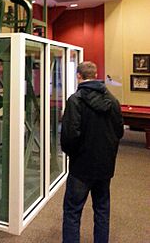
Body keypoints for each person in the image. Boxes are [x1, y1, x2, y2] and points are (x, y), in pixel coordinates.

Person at [61, 61, 124, 243]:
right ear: (95, 74)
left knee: (72, 211)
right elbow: (119, 131)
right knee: (102, 210)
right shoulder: (112, 100)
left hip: (81, 167)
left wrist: (74, 154)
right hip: (104, 167)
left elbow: (69, 136)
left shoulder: (75, 100)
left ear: (78, 76)